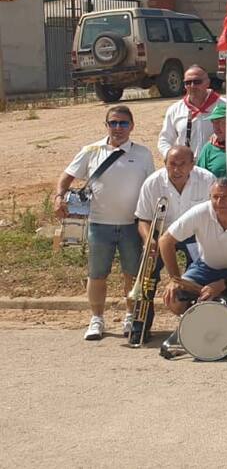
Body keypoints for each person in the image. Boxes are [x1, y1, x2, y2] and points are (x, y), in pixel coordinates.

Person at [56, 106, 156, 340]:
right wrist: (58, 196)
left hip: (132, 224)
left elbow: (151, 188)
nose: (118, 128)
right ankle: (97, 319)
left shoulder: (143, 153)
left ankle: (130, 317)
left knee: (132, 274)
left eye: (123, 123)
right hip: (100, 225)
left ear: (132, 126)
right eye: (113, 123)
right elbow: (67, 176)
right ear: (106, 125)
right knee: (97, 274)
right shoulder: (91, 150)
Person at [159, 178, 227, 349]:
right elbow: (165, 241)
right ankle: (200, 325)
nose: (219, 202)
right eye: (215, 197)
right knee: (173, 297)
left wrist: (222, 284)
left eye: (225, 197)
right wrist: (175, 279)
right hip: (206, 267)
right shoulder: (199, 212)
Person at [135, 146, 215, 268]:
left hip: (196, 236)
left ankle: (190, 284)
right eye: (172, 164)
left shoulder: (208, 180)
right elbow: (144, 219)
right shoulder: (151, 183)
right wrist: (148, 239)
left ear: (192, 164)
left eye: (182, 164)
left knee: (200, 274)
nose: (176, 170)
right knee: (148, 267)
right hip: (162, 233)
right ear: (165, 163)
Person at [157, 65, 223, 156]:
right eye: (188, 83)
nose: (192, 86)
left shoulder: (224, 106)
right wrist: (173, 156)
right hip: (187, 167)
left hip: (215, 165)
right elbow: (164, 140)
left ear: (208, 83)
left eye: (197, 82)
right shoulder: (175, 110)